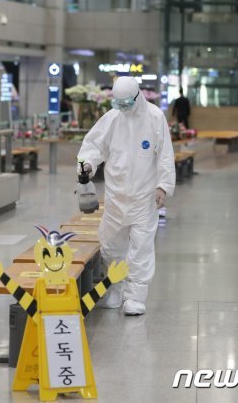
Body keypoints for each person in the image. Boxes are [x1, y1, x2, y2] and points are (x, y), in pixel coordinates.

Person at [77, 76, 175, 316]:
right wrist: (87, 164)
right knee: (111, 245)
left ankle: (136, 298)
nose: (122, 108)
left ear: (138, 96)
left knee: (141, 249)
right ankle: (115, 289)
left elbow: (164, 154)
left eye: (125, 103)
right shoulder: (111, 119)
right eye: (117, 103)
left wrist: (163, 186)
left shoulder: (154, 117)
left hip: (145, 198)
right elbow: (93, 146)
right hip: (116, 197)